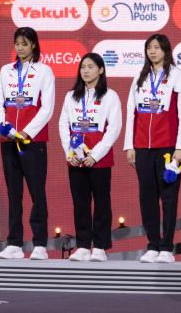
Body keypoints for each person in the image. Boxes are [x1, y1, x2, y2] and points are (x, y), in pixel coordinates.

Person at [123, 33, 181, 263]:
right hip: (142, 146)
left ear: (166, 50)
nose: (152, 51)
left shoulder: (177, 76)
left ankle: (166, 248)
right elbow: (131, 112)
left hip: (168, 146)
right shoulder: (140, 77)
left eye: (157, 47)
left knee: (169, 197)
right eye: (149, 47)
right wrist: (129, 145)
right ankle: (152, 245)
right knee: (147, 197)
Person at [0, 27, 55, 260]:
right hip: (9, 140)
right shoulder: (5, 70)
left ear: (34, 45)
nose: (20, 48)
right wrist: (3, 126)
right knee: (14, 193)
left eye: (24, 43)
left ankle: (39, 244)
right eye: (17, 43)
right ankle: (14, 243)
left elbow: (47, 108)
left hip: (32, 141)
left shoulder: (44, 71)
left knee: (37, 192)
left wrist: (27, 132)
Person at [57, 53, 122, 262]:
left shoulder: (110, 96)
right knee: (80, 203)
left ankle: (100, 247)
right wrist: (70, 153)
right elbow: (63, 125)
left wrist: (95, 155)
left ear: (101, 70)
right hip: (75, 159)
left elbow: (114, 128)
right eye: (83, 67)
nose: (85, 71)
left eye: (91, 67)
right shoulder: (71, 96)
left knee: (102, 203)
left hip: (99, 159)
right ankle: (83, 245)